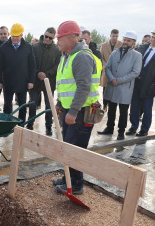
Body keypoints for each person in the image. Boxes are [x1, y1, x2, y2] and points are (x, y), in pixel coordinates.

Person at [52, 21, 102, 195]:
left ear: (72, 37)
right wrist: (59, 103)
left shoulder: (81, 56)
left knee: (75, 149)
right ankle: (68, 179)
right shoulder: (67, 56)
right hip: (70, 110)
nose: (57, 41)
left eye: (60, 38)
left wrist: (72, 112)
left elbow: (83, 87)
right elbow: (64, 84)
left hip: (81, 113)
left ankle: (76, 185)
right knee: (68, 147)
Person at [97, 31, 142, 140]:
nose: (125, 42)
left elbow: (135, 72)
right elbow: (107, 68)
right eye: (125, 39)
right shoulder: (115, 52)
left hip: (124, 88)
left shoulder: (137, 56)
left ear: (134, 42)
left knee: (123, 111)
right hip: (112, 86)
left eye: (128, 40)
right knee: (111, 109)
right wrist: (112, 79)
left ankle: (121, 132)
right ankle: (109, 128)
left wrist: (119, 80)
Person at [127, 27, 155, 137]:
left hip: (150, 85)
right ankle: (133, 127)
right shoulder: (142, 48)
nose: (153, 39)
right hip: (137, 82)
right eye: (152, 37)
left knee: (147, 108)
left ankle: (144, 129)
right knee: (134, 106)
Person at [0, 23, 37, 121]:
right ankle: (7, 125)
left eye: (17, 37)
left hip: (22, 81)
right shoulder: (4, 47)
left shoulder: (28, 47)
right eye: (13, 36)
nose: (14, 39)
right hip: (8, 81)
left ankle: (21, 126)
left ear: (21, 35)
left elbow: (32, 65)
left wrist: (31, 81)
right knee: (7, 105)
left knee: (22, 106)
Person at [27, 27, 61, 135]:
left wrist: (47, 74)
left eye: (50, 38)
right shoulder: (34, 47)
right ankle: (29, 125)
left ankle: (48, 127)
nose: (47, 39)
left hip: (49, 82)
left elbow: (57, 65)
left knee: (49, 106)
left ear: (53, 38)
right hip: (36, 81)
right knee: (32, 104)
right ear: (43, 35)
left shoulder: (57, 50)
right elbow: (30, 63)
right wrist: (37, 73)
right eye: (46, 36)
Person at [99, 29, 122, 109]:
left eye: (116, 36)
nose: (115, 38)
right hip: (106, 70)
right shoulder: (104, 45)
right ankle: (105, 105)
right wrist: (106, 65)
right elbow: (101, 57)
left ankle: (113, 106)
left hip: (117, 71)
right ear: (110, 35)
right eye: (113, 36)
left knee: (115, 89)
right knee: (105, 89)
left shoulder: (121, 45)